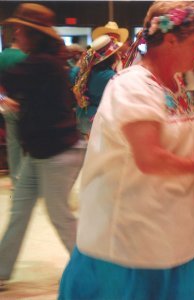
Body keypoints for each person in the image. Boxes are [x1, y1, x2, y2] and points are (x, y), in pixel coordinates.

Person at [59, 2, 194, 299]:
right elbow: (150, 157)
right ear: (170, 40)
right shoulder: (133, 87)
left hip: (171, 235)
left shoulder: (174, 84)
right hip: (130, 244)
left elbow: (177, 134)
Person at [0, 3, 85, 290]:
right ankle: (1, 270)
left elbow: (8, 77)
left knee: (59, 216)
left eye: (20, 29)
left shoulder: (43, 63)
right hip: (40, 152)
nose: (16, 33)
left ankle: (89, 273)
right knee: (20, 211)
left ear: (34, 35)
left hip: (57, 153)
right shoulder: (43, 61)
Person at [70, 35, 122, 139]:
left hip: (82, 119)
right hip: (99, 122)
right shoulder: (110, 77)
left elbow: (72, 77)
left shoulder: (81, 71)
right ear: (111, 56)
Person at [0, 39, 27, 188]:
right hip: (27, 105)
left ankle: (16, 179)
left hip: (8, 105)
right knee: (29, 142)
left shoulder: (2, 56)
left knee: (13, 143)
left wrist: (3, 99)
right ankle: (30, 180)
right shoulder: (27, 57)